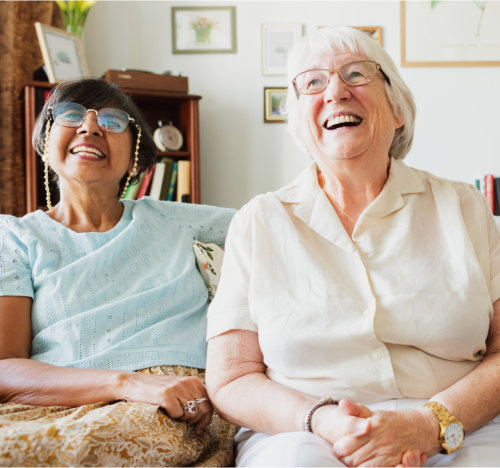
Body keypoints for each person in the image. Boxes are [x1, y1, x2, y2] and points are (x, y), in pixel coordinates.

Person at [205, 26, 500, 467]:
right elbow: (230, 378)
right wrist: (324, 421)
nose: (336, 91)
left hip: (459, 424)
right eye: (314, 82)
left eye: (357, 74)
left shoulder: (464, 206)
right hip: (305, 434)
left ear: (397, 108)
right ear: (301, 120)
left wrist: (429, 424)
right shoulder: (259, 221)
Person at [0, 78, 237, 467]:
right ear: (45, 141)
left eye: (112, 121)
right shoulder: (14, 237)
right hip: (57, 402)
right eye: (71, 114)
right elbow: (5, 368)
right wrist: (125, 384)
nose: (90, 127)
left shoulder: (176, 220)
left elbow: (280, 219)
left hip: (174, 404)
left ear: (136, 155)